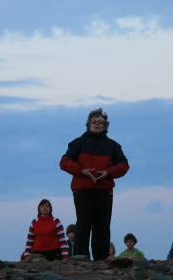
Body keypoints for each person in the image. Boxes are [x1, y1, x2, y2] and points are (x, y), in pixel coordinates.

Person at [60, 108, 129, 260]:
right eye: (94, 122)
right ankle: (81, 257)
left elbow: (124, 166)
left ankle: (101, 259)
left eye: (101, 122)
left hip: (104, 190)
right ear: (88, 124)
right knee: (83, 223)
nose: (97, 124)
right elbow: (64, 162)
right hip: (82, 189)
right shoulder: (77, 143)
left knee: (102, 226)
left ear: (105, 126)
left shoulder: (113, 146)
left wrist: (108, 173)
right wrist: (82, 171)